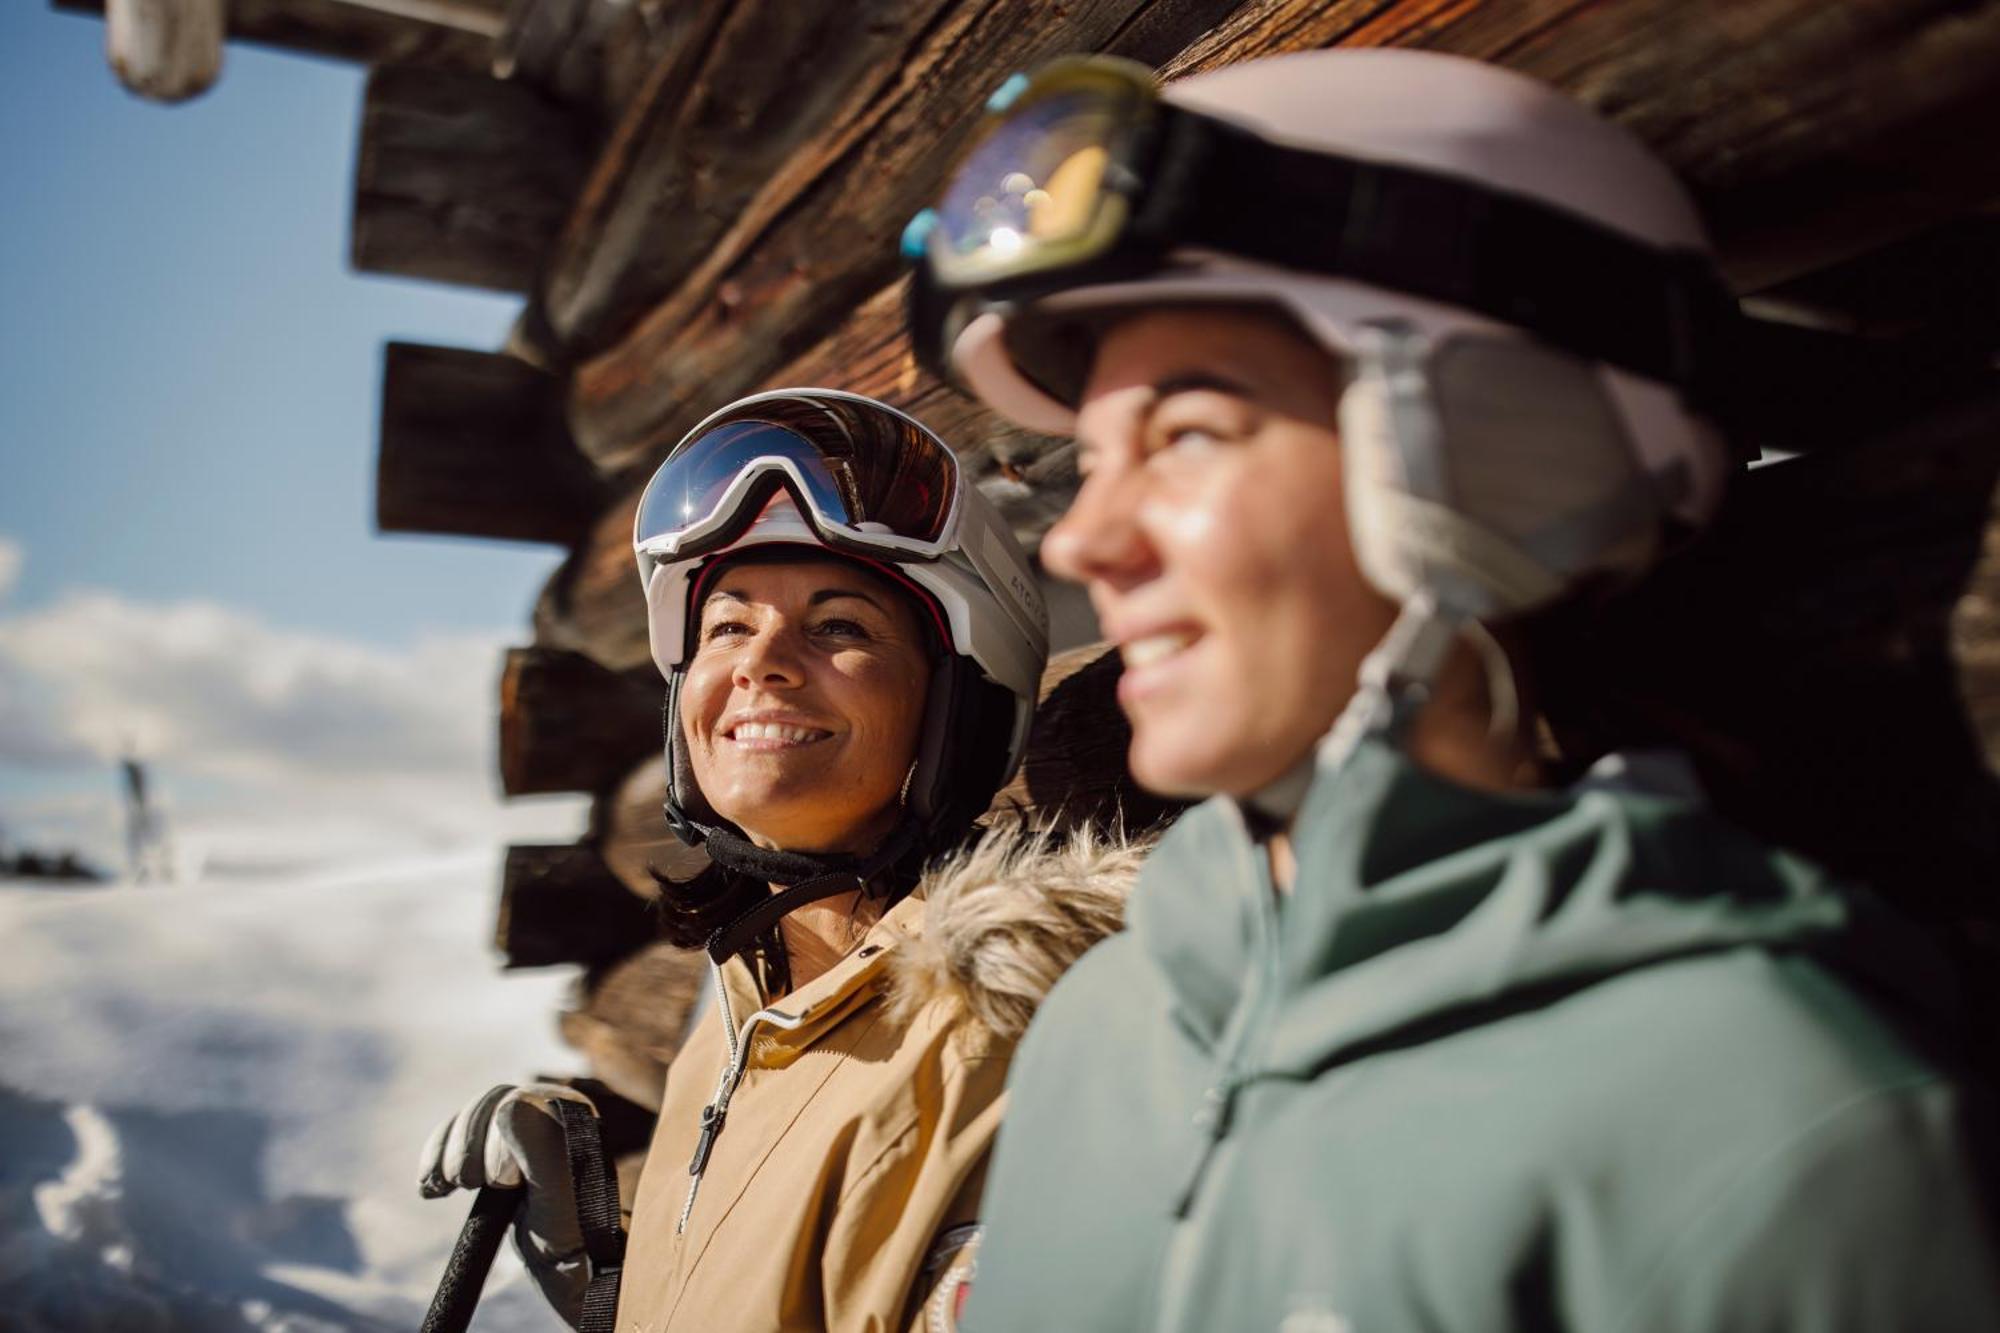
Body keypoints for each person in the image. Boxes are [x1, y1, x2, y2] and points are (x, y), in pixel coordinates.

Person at [904, 49, 2000, 1331]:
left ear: (1488, 461)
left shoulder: (1780, 1124)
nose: (1082, 543)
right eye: (1088, 461)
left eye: (1188, 435)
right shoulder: (1102, 1026)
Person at [418, 389, 1145, 1331]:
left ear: (957, 705)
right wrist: (612, 1283)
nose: (763, 661)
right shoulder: (727, 1031)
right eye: (726, 625)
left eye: (839, 625)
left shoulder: (1009, 1047)